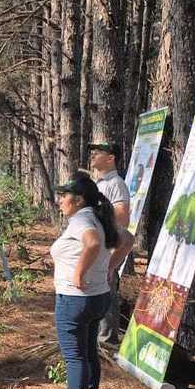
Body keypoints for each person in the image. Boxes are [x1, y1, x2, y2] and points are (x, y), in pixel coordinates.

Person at [50, 173, 119, 389]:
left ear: (78, 200)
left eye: (64, 196)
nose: (60, 201)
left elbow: (91, 243)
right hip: (97, 297)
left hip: (75, 299)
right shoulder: (97, 217)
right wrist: (110, 266)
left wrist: (79, 273)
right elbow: (127, 239)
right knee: (89, 352)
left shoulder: (82, 220)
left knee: (75, 356)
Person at [88, 142, 134, 343]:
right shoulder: (99, 183)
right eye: (93, 152)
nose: (93, 155)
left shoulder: (116, 183)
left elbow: (123, 219)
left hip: (107, 249)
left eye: (98, 152)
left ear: (111, 158)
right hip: (96, 248)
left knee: (106, 290)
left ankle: (107, 340)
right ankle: (98, 338)